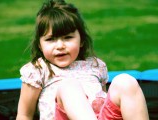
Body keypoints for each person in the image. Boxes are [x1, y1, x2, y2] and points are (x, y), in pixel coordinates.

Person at [16, 0, 149, 120]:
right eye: (50, 39)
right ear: (40, 44)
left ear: (81, 41)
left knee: (126, 81)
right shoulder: (38, 69)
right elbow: (24, 114)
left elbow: (103, 101)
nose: (60, 46)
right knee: (69, 86)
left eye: (67, 38)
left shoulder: (95, 66)